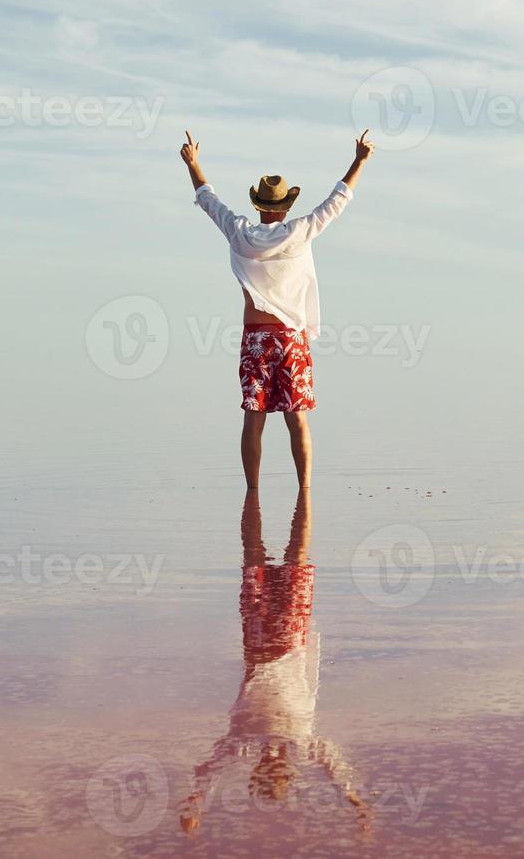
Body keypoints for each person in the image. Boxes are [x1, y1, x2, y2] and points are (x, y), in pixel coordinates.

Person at [181, 129, 376, 489]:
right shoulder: (299, 231)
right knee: (297, 419)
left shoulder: (240, 233)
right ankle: (305, 491)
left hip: (255, 338)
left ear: (258, 206)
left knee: (253, 418)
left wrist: (193, 163)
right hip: (289, 338)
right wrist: (359, 160)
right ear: (286, 206)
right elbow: (338, 200)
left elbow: (209, 201)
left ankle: (252, 492)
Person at [179, 489, 372, 838]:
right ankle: (297, 496)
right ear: (288, 773)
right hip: (291, 637)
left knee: (255, 558)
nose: (274, 769)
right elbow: (333, 766)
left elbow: (210, 769)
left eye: (269, 776)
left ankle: (293, 491)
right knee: (295, 558)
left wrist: (194, 804)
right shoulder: (302, 741)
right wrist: (354, 800)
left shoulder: (243, 742)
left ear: (258, 772)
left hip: (258, 643)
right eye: (278, 777)